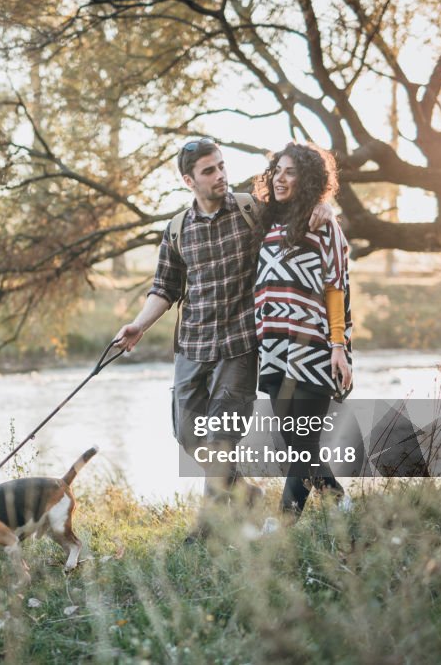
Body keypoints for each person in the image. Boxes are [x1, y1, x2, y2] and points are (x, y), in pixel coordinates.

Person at [113, 137, 332, 539]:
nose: (220, 176)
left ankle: (207, 526)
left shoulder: (251, 211)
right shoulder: (177, 230)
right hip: (192, 346)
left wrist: (322, 205)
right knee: (187, 434)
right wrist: (138, 326)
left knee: (219, 438)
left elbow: (298, 206)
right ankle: (244, 492)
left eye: (221, 166)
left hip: (239, 346)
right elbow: (164, 287)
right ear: (188, 181)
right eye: (209, 171)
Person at [252, 142, 353, 520]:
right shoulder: (264, 219)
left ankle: (282, 524)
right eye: (277, 170)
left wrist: (338, 346)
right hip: (274, 346)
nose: (280, 177)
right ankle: (339, 500)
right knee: (292, 444)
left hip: (313, 347)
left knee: (304, 442)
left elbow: (335, 287)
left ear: (308, 177)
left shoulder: (324, 223)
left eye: (290, 171)